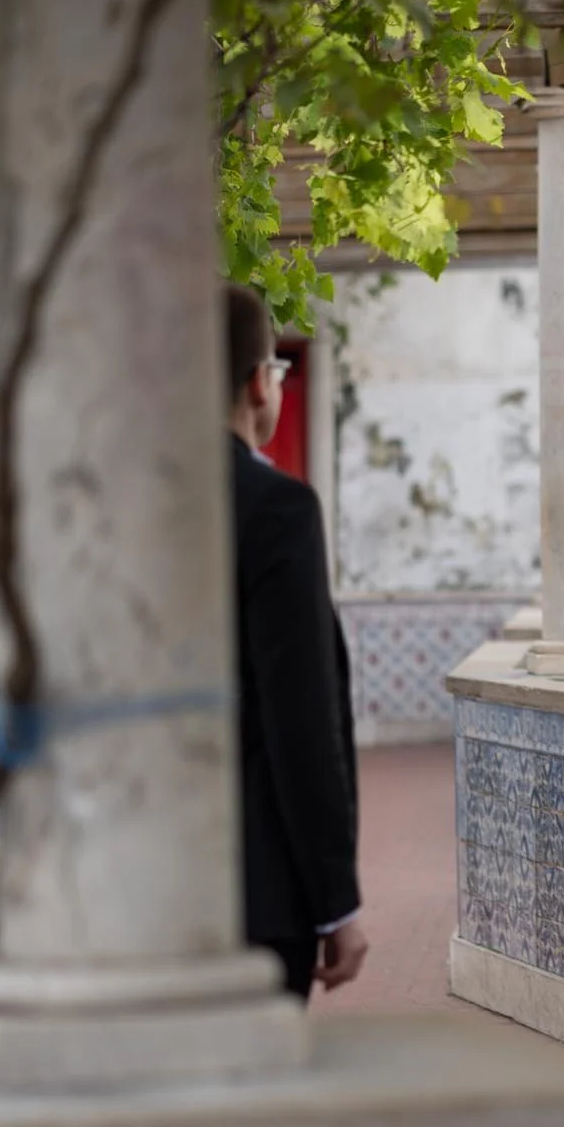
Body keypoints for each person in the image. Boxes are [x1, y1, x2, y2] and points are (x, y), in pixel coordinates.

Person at [225, 284, 368, 1000]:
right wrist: (335, 900)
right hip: (257, 893)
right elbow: (301, 721)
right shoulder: (276, 511)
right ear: (259, 381)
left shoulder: (105, 508)